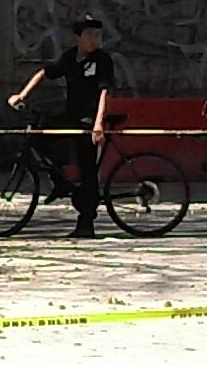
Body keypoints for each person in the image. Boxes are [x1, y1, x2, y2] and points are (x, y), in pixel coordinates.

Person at [7, 15, 121, 237]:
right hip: (71, 116)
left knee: (87, 169)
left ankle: (86, 223)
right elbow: (44, 72)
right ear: (78, 37)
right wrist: (22, 95)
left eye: (97, 35)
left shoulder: (102, 60)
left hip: (89, 119)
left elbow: (105, 92)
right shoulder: (70, 57)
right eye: (89, 35)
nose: (94, 39)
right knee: (39, 135)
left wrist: (98, 124)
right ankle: (60, 181)